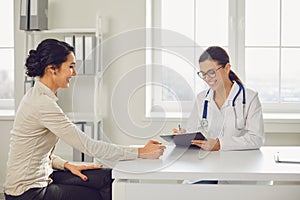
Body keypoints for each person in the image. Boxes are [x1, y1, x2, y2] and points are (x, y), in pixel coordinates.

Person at [4, 38, 166, 200]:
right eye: (71, 67)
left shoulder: (41, 97)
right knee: (99, 194)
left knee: (108, 178)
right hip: (27, 192)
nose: (74, 73)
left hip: (44, 176)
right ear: (52, 69)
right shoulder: (41, 103)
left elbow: (35, 152)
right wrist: (140, 152)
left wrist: (66, 165)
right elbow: (89, 146)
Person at [174, 46, 265, 151]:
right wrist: (184, 136)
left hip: (240, 162)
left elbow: (257, 138)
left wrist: (220, 144)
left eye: (212, 72)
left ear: (227, 68)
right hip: (208, 163)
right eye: (203, 74)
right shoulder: (201, 99)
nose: (207, 78)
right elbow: (194, 132)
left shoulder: (250, 98)